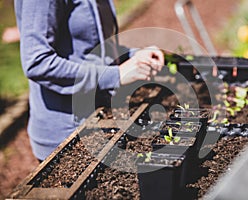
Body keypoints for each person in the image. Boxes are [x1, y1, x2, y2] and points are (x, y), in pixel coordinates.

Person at [14, 0, 164, 161]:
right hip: (67, 136)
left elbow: (92, 46)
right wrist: (116, 75)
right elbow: (37, 63)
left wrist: (134, 55)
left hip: (101, 118)